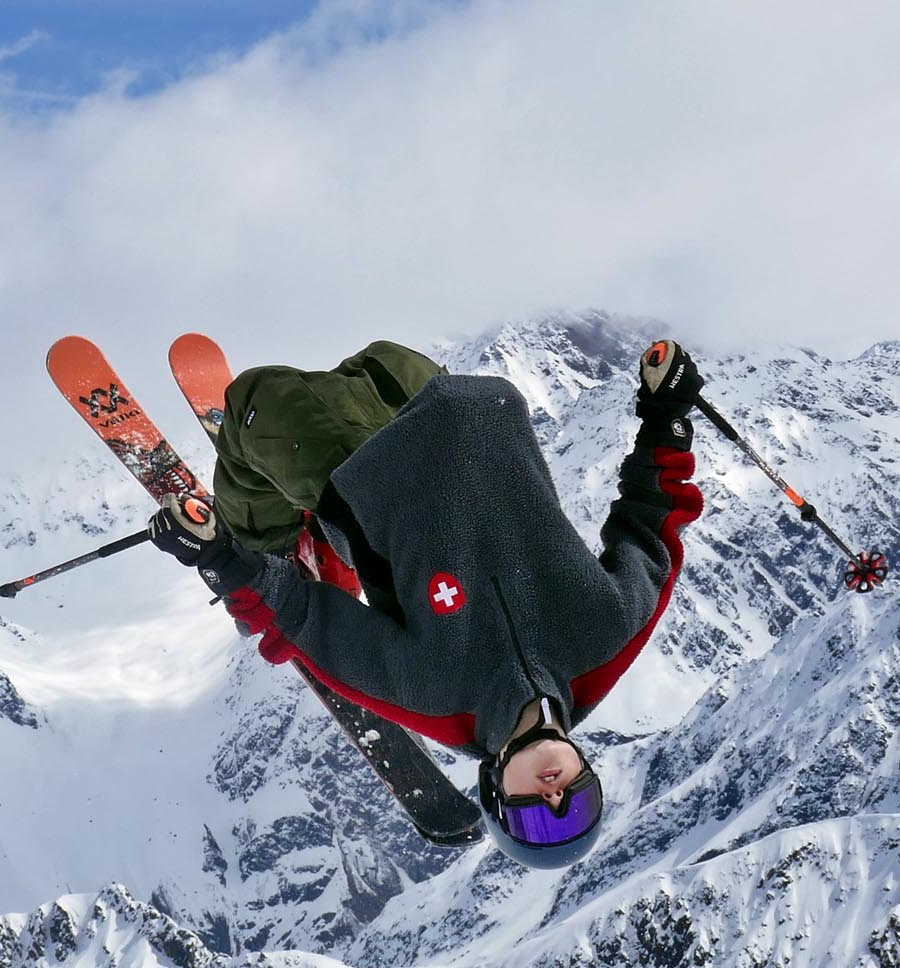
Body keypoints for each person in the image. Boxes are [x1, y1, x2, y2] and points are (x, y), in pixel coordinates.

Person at [149, 337, 706, 870]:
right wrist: (668, 414)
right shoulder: (604, 641)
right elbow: (651, 528)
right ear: (589, 772)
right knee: (379, 358)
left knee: (255, 397)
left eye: (538, 822)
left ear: (495, 789)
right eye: (580, 807)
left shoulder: (437, 698)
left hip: (363, 463)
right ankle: (315, 539)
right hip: (461, 402)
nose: (557, 802)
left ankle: (279, 542)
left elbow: (303, 621)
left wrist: (222, 554)